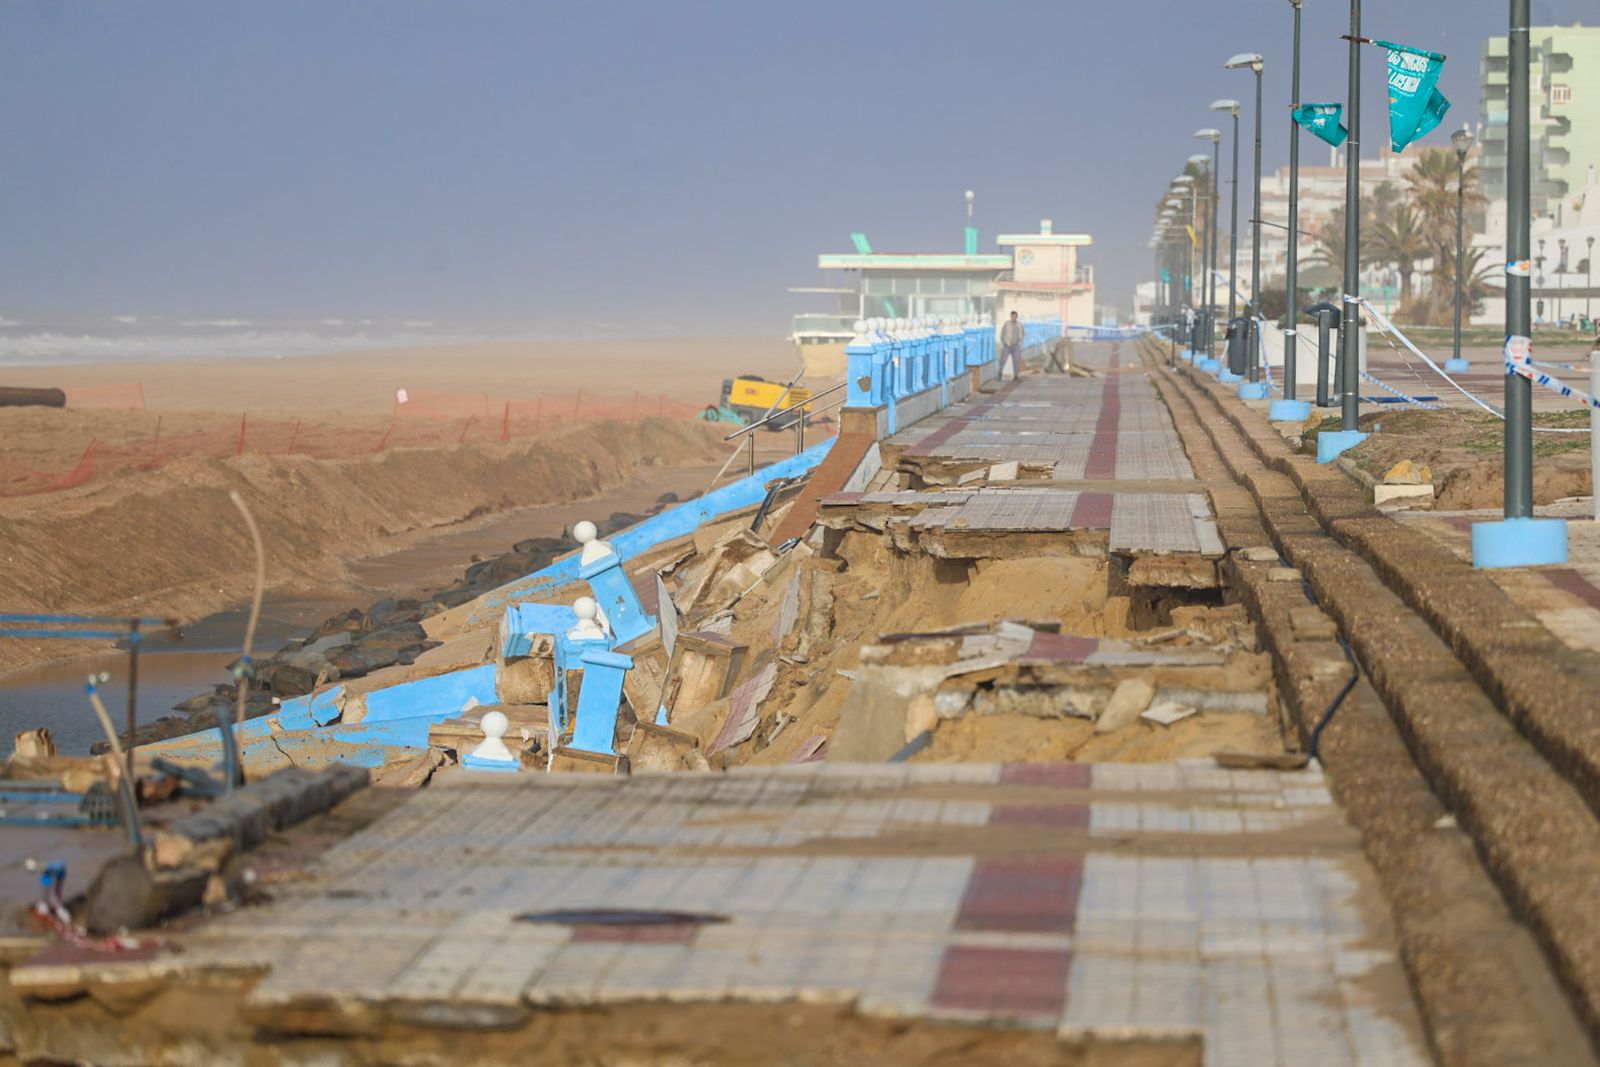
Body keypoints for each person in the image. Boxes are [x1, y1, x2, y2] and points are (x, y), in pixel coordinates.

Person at [999, 311, 1024, 380]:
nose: (1014, 318)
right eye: (1012, 316)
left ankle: (1016, 375)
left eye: (1015, 316)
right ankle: (1000, 373)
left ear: (1017, 317)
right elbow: (1002, 334)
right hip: (1007, 345)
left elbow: (1022, 334)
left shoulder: (1019, 325)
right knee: (1003, 360)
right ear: (1011, 316)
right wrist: (1004, 342)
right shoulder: (1007, 324)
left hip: (1016, 345)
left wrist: (1020, 343)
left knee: (1017, 361)